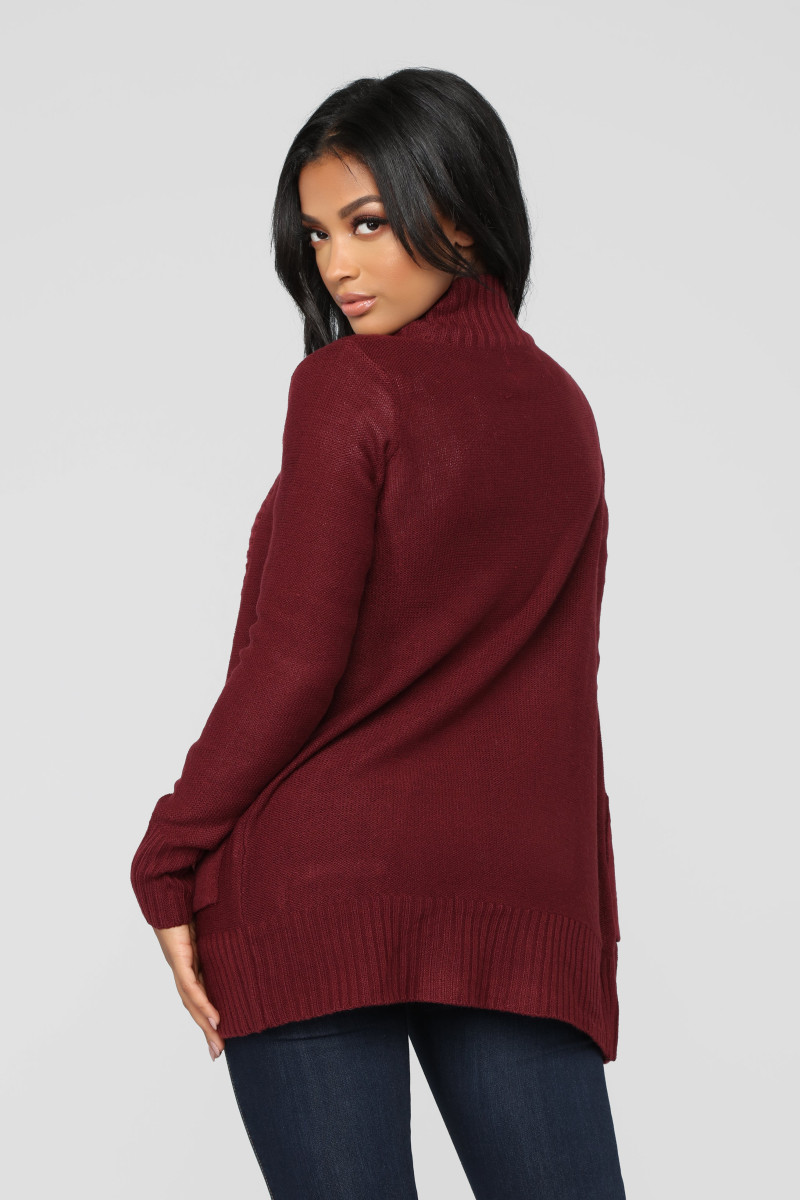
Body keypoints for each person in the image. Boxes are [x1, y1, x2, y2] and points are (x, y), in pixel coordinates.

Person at [130, 66, 626, 1199]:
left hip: (316, 887)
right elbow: (562, 693)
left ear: (461, 212)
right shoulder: (564, 407)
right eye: (316, 235)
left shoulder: (348, 388)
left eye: (366, 222)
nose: (337, 266)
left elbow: (291, 662)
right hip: (514, 903)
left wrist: (166, 854)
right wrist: (581, 914)